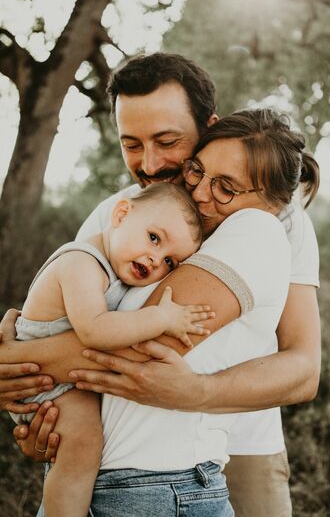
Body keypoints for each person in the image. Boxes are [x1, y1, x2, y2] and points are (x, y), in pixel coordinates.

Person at [0, 53, 321, 516]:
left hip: (243, 443)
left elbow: (303, 368)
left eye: (167, 141)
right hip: (121, 454)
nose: (149, 164)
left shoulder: (274, 222)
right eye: (132, 144)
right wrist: (32, 406)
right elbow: (63, 320)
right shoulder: (120, 211)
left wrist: (198, 392)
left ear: (208, 127)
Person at [9, 182, 213, 517]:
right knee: (83, 446)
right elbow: (94, 330)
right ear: (120, 214)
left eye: (170, 262)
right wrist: (161, 317)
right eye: (153, 237)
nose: (155, 258)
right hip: (45, 384)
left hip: (60, 375)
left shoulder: (111, 264)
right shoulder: (81, 262)